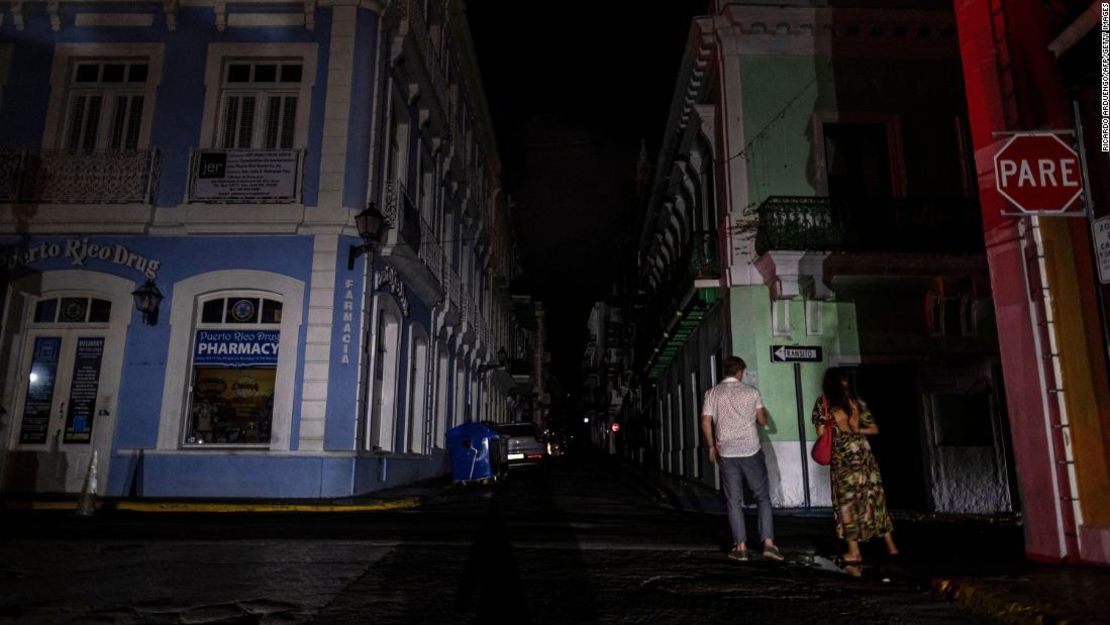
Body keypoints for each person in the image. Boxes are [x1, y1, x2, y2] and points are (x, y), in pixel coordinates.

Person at [700, 356, 784, 562]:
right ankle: (769, 545)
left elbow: (705, 422)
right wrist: (761, 414)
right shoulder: (751, 392)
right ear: (739, 373)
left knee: (733, 500)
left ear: (725, 372)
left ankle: (740, 547)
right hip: (750, 450)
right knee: (762, 497)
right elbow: (763, 421)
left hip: (726, 452)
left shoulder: (712, 393)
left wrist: (711, 447)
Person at [812, 367, 899, 562]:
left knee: (847, 503)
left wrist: (831, 424)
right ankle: (891, 547)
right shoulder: (857, 402)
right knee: (874, 498)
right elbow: (874, 429)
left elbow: (819, 433)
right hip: (864, 455)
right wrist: (856, 428)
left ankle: (854, 552)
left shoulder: (823, 404)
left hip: (843, 458)